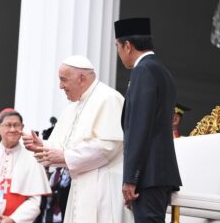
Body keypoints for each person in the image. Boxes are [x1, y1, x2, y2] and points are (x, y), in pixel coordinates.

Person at [23, 55, 133, 223]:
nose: (60, 86)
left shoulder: (108, 98)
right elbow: (63, 145)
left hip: (103, 188)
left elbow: (108, 146)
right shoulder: (74, 107)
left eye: (63, 80)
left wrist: (66, 157)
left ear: (81, 78)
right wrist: (43, 146)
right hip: (81, 185)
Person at [114, 18, 182, 223]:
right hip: (156, 174)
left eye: (117, 46)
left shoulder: (143, 70)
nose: (118, 52)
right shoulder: (161, 70)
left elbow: (139, 127)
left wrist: (131, 179)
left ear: (128, 46)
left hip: (148, 175)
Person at [0, 108, 51, 223]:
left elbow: (35, 201)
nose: (12, 129)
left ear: (22, 128)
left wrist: (13, 219)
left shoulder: (32, 158)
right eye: (8, 125)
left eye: (16, 125)